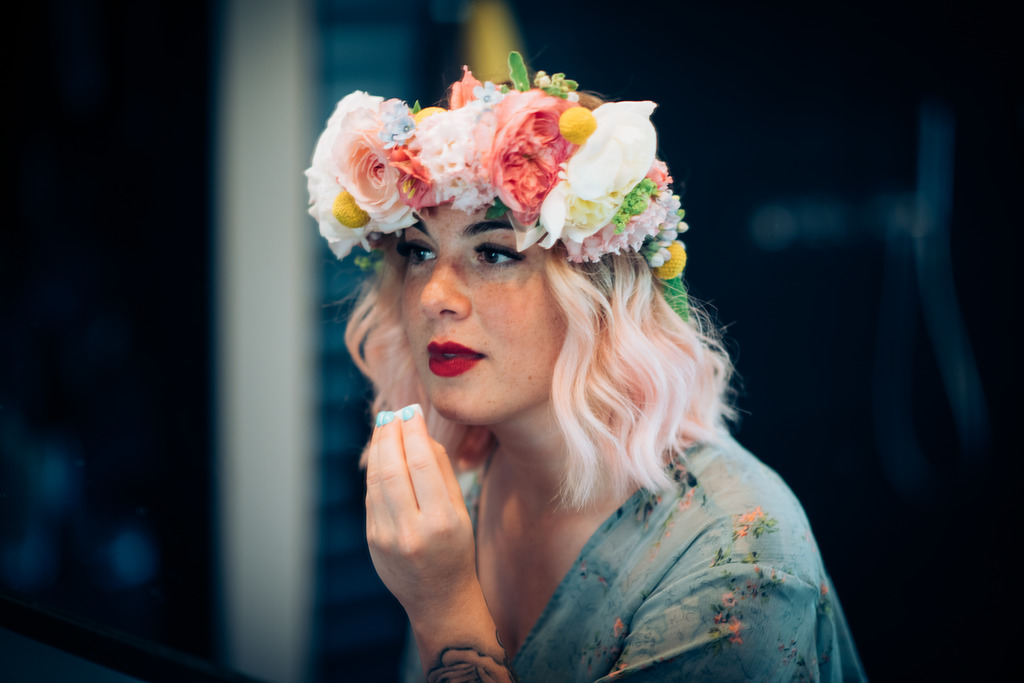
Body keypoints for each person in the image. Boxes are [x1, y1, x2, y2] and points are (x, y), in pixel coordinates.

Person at [306, 53, 866, 682]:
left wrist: (445, 614)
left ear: (599, 295)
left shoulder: (735, 559)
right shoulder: (457, 489)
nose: (435, 296)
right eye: (417, 251)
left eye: (494, 253)